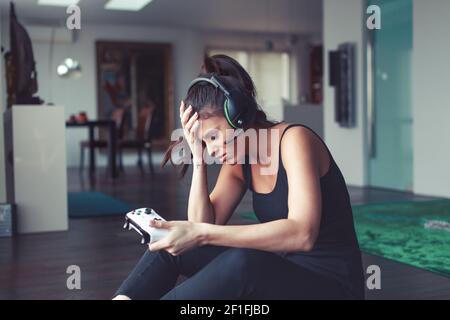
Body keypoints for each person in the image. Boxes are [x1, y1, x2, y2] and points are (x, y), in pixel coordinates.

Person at [113, 55, 365, 300]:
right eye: (203, 141)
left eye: (212, 136)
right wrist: (199, 161)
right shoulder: (238, 161)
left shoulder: (294, 140)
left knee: (243, 262)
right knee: (170, 248)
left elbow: (302, 234)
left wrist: (200, 232)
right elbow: (203, 223)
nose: (211, 149)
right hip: (284, 274)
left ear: (239, 115)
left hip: (331, 287)